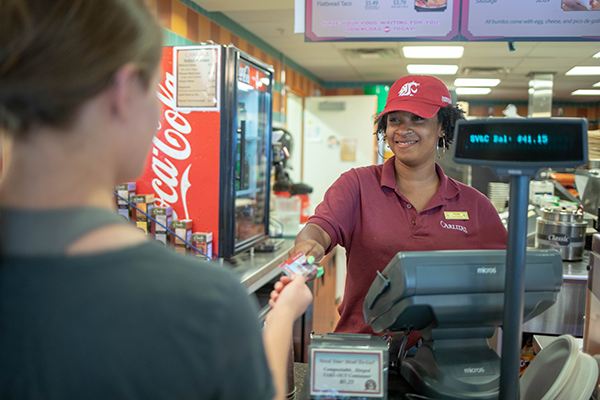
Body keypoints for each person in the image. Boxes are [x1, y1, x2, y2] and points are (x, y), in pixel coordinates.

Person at [0, 1, 312, 399]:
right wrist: (282, 316)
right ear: (124, 92)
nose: (161, 116)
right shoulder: (201, 304)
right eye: (155, 89)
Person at [289, 75, 507, 348]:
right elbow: (321, 228)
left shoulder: (474, 205)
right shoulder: (357, 184)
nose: (403, 129)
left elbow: (506, 278)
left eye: (418, 119)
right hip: (364, 352)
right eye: (395, 120)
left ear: (442, 127)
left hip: (446, 356)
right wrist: (309, 243)